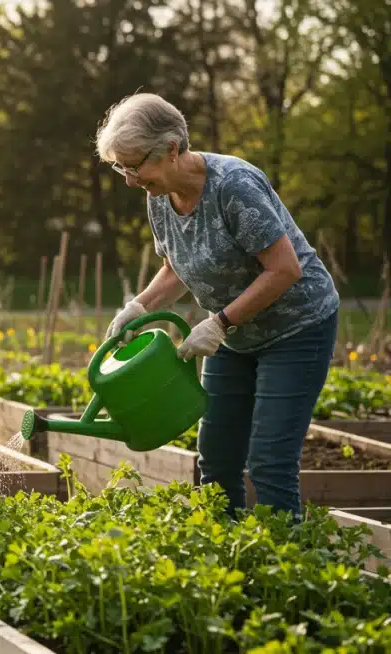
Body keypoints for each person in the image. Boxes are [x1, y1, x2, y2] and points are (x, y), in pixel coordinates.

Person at [97, 92, 339, 519]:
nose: (130, 179)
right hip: (233, 334)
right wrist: (139, 305)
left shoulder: (233, 185)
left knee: (269, 460)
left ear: (172, 149)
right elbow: (176, 267)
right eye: (122, 167)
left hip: (296, 329)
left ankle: (285, 568)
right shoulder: (159, 196)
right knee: (217, 458)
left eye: (135, 166)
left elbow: (284, 270)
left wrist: (220, 323)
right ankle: (225, 565)